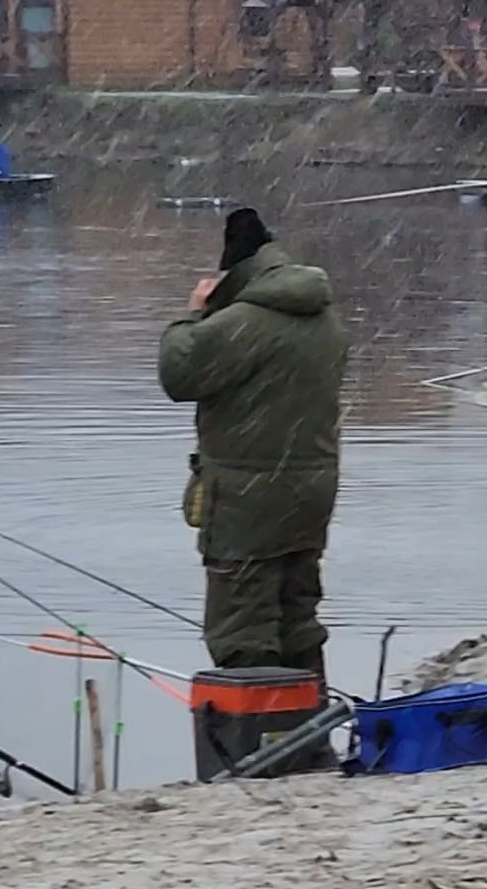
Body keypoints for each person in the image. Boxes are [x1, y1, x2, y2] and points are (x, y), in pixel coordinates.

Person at [159, 208, 349, 675]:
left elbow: (178, 373)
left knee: (243, 630)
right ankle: (308, 735)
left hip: (247, 503)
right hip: (310, 494)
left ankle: (258, 741)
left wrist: (194, 314)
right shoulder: (324, 318)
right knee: (298, 619)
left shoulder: (245, 320)